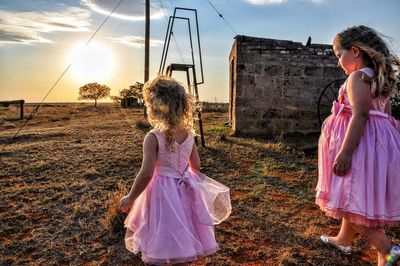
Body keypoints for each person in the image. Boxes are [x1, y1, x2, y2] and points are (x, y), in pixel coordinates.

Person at [119, 76, 231, 265]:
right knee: (184, 225)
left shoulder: (153, 137)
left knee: (163, 229)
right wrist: (184, 174)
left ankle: (166, 257)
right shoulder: (189, 135)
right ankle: (181, 255)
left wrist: (130, 197)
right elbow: (196, 166)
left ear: (154, 107)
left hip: (161, 191)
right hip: (185, 187)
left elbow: (146, 173)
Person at [315, 25, 400, 266]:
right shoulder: (378, 79)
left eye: (338, 55)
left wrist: (345, 152)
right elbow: (387, 116)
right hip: (378, 148)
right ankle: (344, 239)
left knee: (348, 199)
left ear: (354, 51)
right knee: (356, 196)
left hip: (360, 147)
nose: (338, 61)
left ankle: (389, 250)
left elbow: (361, 114)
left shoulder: (356, 77)